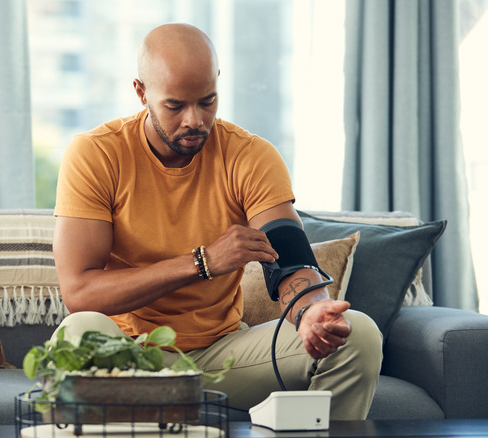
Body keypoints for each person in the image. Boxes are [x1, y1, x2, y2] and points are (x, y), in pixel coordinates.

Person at [51, 23, 382, 420]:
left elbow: (291, 259)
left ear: (218, 83)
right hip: (128, 355)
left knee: (358, 333)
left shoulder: (250, 156)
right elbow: (80, 292)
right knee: (79, 332)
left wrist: (311, 310)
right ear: (141, 92)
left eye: (207, 101)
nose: (194, 120)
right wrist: (202, 261)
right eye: (175, 106)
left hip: (222, 358)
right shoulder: (96, 154)